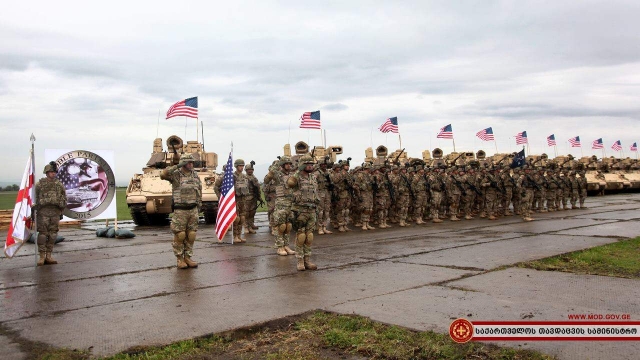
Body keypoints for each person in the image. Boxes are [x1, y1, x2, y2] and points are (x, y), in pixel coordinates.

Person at [160, 153, 202, 269]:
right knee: (180, 235)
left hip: (193, 209)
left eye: (192, 162)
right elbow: (162, 174)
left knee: (192, 234)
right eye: (188, 162)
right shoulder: (176, 175)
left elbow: (199, 190)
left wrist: (199, 204)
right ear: (183, 163)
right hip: (180, 210)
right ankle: (180, 259)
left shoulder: (195, 175)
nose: (191, 164)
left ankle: (188, 257)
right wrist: (178, 166)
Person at [288, 155, 320, 271]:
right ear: (302, 165)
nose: (310, 166)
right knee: (301, 236)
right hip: (300, 210)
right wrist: (298, 170)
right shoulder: (296, 177)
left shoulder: (313, 177)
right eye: (307, 164)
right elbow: (290, 184)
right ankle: (300, 260)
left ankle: (307, 260)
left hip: (312, 209)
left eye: (311, 164)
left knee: (309, 236)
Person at [34, 161, 67, 266]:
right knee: (43, 234)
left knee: (53, 234)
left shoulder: (59, 185)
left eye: (54, 172)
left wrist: (61, 206)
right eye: (51, 172)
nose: (53, 173)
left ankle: (49, 255)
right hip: (43, 212)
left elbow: (64, 198)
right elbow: (35, 199)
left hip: (55, 212)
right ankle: (42, 256)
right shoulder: (39, 185)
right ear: (46, 172)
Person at [264, 156, 296, 256]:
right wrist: (275, 166)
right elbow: (266, 180)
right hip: (281, 202)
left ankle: (286, 245)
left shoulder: (292, 174)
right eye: (287, 164)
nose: (289, 165)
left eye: (290, 164)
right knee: (280, 226)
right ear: (282, 165)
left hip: (291, 202)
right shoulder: (277, 175)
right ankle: (280, 247)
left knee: (288, 226)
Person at [245, 161, 262, 233]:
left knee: (252, 212)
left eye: (251, 169)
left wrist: (259, 197)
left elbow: (257, 188)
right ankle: (246, 226)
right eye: (249, 169)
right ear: (246, 170)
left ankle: (251, 224)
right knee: (246, 213)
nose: (250, 171)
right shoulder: (244, 177)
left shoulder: (254, 178)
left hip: (254, 197)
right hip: (246, 198)